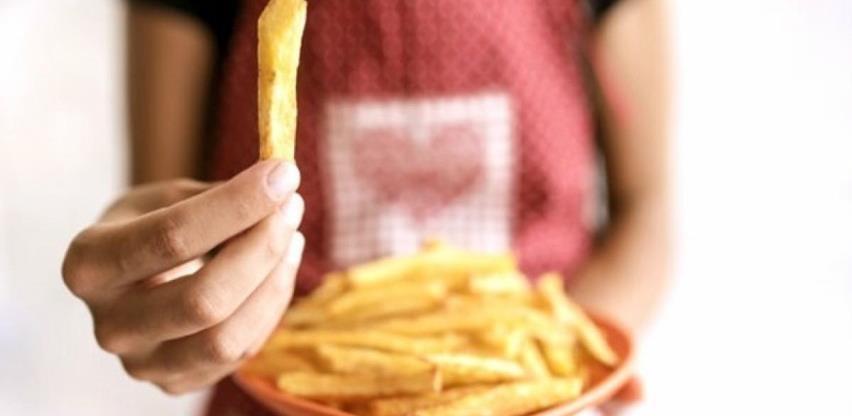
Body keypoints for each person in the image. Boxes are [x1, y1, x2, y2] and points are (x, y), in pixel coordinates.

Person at [61, 0, 670, 414]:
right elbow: (167, 223)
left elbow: (646, 208)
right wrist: (163, 296)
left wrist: (559, 375)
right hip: (278, 397)